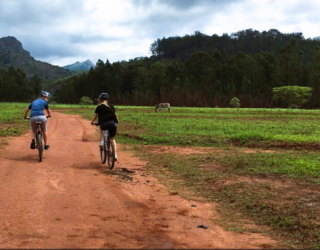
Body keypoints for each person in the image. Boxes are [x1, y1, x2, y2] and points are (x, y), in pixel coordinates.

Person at [90, 93, 119, 161]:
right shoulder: (111, 106)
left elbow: (95, 116)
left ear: (100, 100)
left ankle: (102, 142)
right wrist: (116, 122)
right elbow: (115, 115)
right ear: (107, 99)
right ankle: (114, 154)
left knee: (101, 128)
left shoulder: (99, 107)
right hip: (113, 124)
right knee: (112, 139)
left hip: (104, 124)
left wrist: (92, 122)